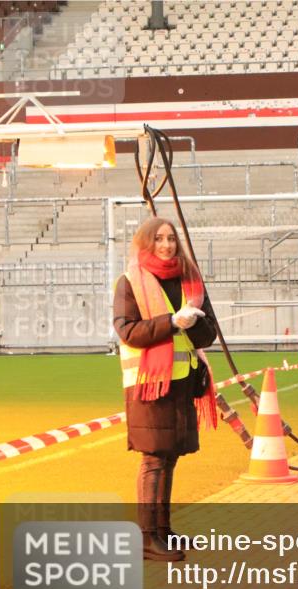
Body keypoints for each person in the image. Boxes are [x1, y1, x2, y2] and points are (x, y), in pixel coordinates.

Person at [113, 217, 218, 561]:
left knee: (169, 456)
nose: (166, 244)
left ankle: (163, 531)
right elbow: (128, 331)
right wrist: (171, 323)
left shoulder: (191, 281)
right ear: (146, 242)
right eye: (158, 238)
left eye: (171, 238)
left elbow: (210, 333)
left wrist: (194, 323)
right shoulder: (130, 282)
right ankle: (146, 537)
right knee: (155, 458)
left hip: (182, 382)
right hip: (149, 384)